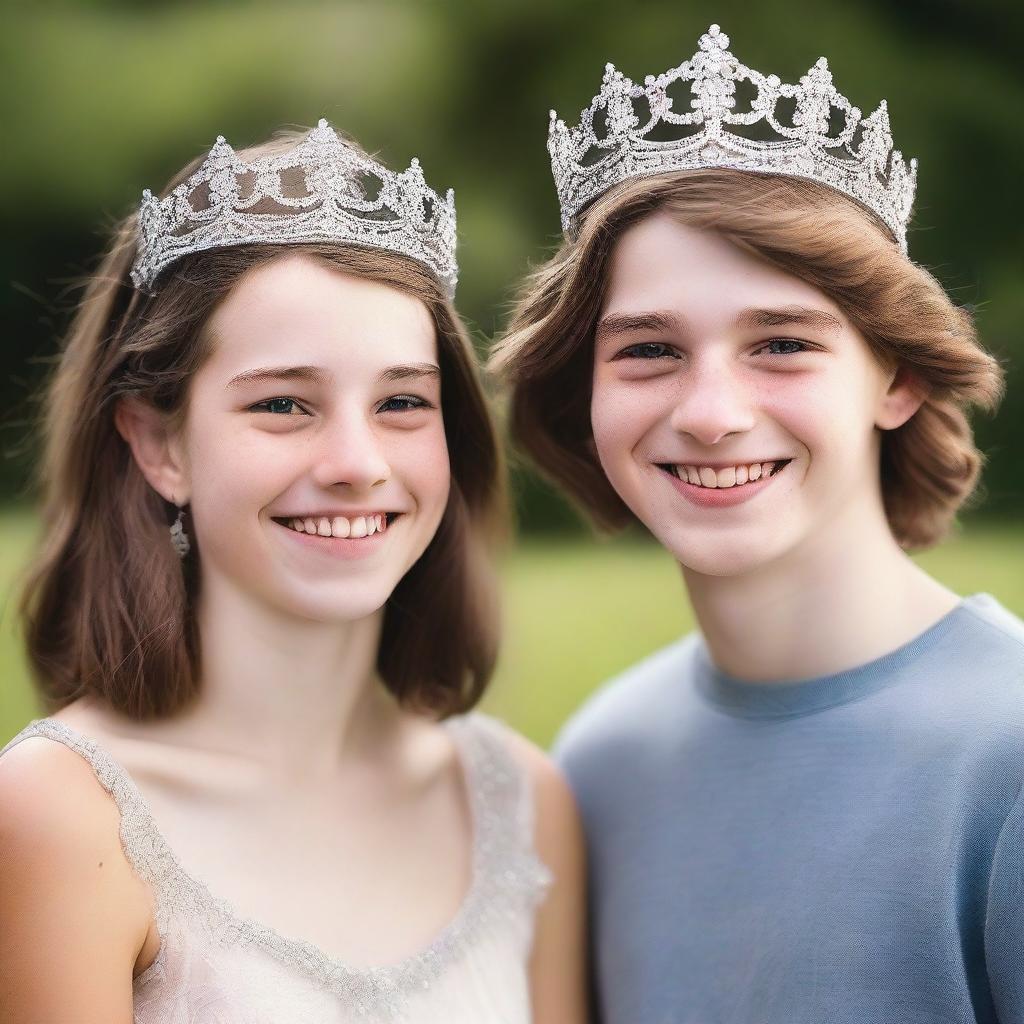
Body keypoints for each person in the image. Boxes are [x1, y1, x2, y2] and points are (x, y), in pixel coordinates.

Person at [490, 24, 1024, 1024]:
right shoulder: (603, 759)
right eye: (647, 349)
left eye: (780, 342)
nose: (710, 410)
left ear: (897, 375)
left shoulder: (1008, 755)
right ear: (585, 391)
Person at [0, 120, 586, 1023]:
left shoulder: (519, 804)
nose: (357, 460)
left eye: (401, 402)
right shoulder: (63, 815)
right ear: (160, 445)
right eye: (283, 403)